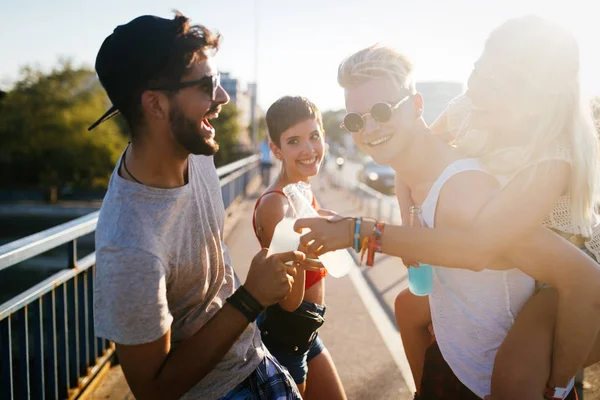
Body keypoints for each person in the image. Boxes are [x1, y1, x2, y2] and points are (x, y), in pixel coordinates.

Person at [294, 20, 600, 399]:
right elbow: (410, 168)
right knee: (409, 308)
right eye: (357, 119)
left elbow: (481, 250)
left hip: (558, 295)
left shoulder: (499, 182)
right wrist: (409, 228)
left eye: (384, 111)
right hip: (460, 359)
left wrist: (362, 231)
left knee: (517, 379)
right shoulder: (467, 115)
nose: (369, 127)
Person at [91, 13, 314, 400]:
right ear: (156, 104)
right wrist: (250, 299)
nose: (223, 97)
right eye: (209, 84)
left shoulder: (195, 150)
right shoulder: (128, 246)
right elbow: (153, 389)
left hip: (256, 358)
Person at [252, 96, 346, 399]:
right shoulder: (276, 204)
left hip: (307, 331)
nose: (308, 149)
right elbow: (288, 302)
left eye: (314, 136)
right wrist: (304, 251)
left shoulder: (302, 189)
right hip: (286, 336)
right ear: (275, 149)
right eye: (294, 141)